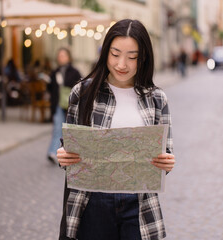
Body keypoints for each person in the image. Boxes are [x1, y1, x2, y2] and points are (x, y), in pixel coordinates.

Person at [57, 19, 175, 240]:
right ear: (105, 53)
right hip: (92, 202)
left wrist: (167, 162)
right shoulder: (82, 93)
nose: (122, 64)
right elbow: (68, 151)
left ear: (144, 58)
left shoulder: (157, 99)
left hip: (139, 204)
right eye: (115, 54)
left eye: (132, 57)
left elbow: (165, 154)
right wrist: (63, 156)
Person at [47, 47, 81, 163]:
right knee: (57, 128)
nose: (61, 58)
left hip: (70, 106)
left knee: (69, 130)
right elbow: (50, 89)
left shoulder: (75, 72)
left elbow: (79, 87)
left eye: (63, 55)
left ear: (68, 57)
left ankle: (69, 154)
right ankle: (52, 152)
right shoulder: (54, 72)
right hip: (57, 104)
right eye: (59, 55)